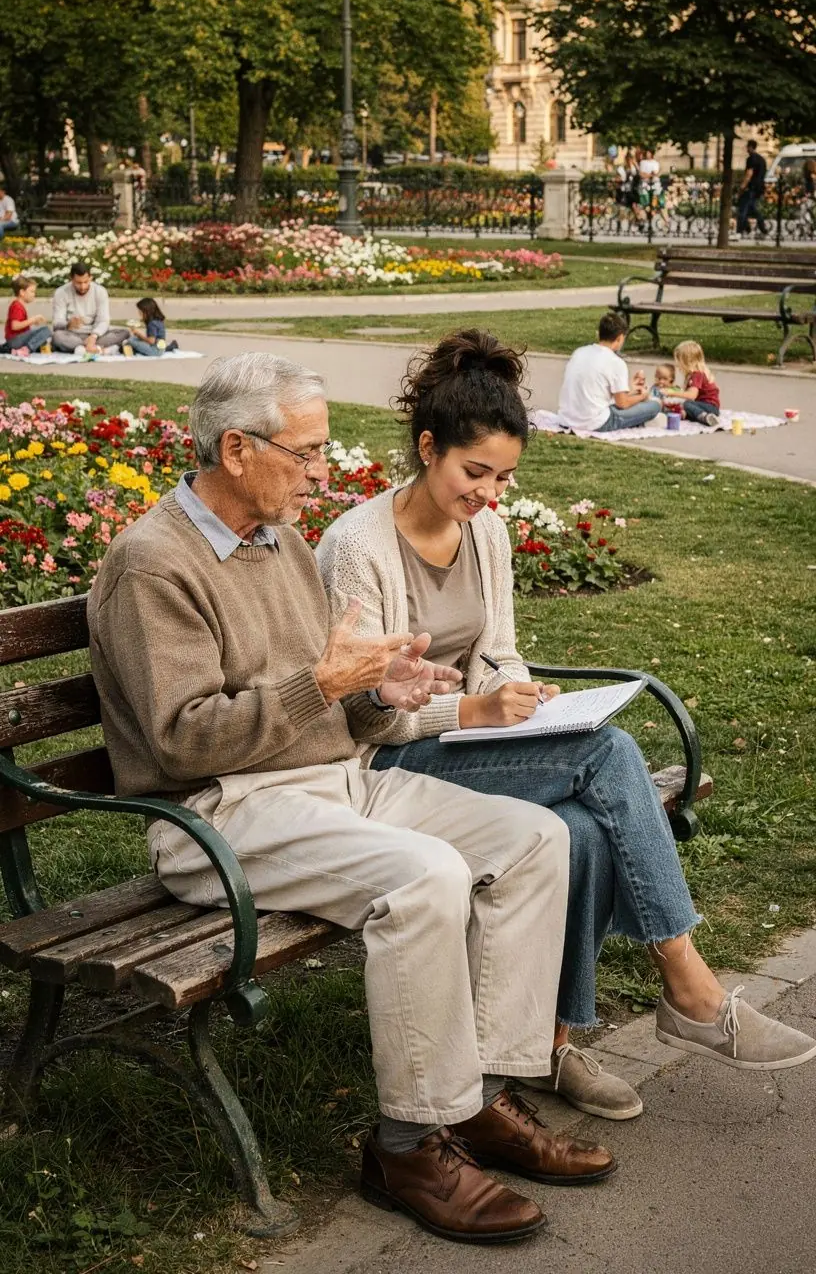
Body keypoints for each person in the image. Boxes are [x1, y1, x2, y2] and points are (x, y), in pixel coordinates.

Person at [87, 350, 615, 1246]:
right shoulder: (152, 565)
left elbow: (330, 705)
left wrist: (380, 695)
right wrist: (327, 688)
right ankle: (409, 1145)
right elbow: (182, 740)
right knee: (424, 880)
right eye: (309, 454)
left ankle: (478, 1099)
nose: (325, 474)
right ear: (237, 449)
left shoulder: (279, 541)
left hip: (331, 786)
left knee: (534, 842)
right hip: (218, 814)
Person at [317, 329, 816, 1124]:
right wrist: (475, 711)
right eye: (474, 472)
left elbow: (501, 651)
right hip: (383, 774)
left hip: (469, 748)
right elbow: (361, 715)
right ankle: (689, 985)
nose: (490, 493)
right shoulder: (358, 547)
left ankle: (549, 1045)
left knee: (583, 826)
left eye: (505, 477)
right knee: (611, 753)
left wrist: (521, 696)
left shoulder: (485, 529)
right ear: (426, 448)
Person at [557, 312, 661, 433]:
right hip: (596, 423)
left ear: (599, 333)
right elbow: (622, 403)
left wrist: (631, 389)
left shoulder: (579, 352)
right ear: (620, 338)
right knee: (655, 406)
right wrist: (642, 396)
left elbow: (595, 389)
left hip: (566, 419)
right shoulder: (616, 362)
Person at [52, 262, 129, 354]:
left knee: (124, 333)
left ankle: (81, 349)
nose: (82, 287)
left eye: (86, 282)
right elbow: (57, 323)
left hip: (96, 335)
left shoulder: (100, 291)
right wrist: (68, 324)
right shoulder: (61, 292)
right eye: (78, 283)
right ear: (71, 279)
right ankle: (98, 350)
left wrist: (93, 336)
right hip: (72, 335)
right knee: (57, 337)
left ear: (90, 278)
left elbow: (103, 320)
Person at [673, 340, 720, 426]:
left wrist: (673, 393)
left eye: (679, 361)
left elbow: (692, 395)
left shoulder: (697, 374)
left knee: (687, 404)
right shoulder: (694, 374)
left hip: (710, 407)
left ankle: (705, 417)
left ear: (687, 361)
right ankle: (688, 415)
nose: (677, 364)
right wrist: (678, 389)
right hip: (703, 405)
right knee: (681, 407)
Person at [1, 275, 51, 355]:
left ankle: (21, 349)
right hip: (14, 341)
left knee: (41, 339)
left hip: (17, 340)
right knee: (45, 330)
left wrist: (32, 322)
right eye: (32, 291)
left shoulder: (18, 305)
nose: (34, 294)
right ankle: (26, 349)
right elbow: (15, 326)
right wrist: (33, 319)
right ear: (22, 292)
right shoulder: (17, 306)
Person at [736, 140, 769, 237]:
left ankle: (740, 231)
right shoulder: (762, 159)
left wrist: (742, 187)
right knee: (751, 209)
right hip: (759, 188)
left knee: (743, 209)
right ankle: (753, 229)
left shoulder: (751, 159)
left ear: (750, 147)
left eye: (747, 146)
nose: (746, 149)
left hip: (750, 188)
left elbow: (749, 174)